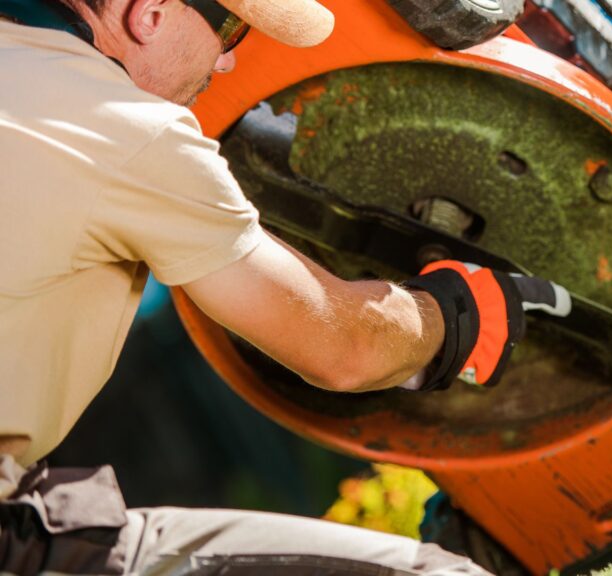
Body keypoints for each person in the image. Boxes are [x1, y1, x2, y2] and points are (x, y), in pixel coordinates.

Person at [0, 0, 570, 572]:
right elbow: (346, 348)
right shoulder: (121, 125)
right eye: (231, 29)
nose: (225, 62)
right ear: (149, 13)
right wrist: (458, 314)